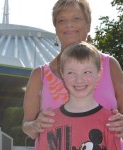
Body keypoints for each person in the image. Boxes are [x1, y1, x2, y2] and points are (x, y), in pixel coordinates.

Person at [22, 0, 123, 147]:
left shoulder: (109, 64)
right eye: (62, 20)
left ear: (88, 24)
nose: (69, 24)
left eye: (76, 18)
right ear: (55, 27)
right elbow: (27, 126)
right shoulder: (40, 74)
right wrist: (35, 126)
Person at [37, 41, 120, 150]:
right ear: (62, 74)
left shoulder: (110, 122)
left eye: (87, 72)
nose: (79, 80)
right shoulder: (49, 121)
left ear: (99, 74)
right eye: (71, 73)